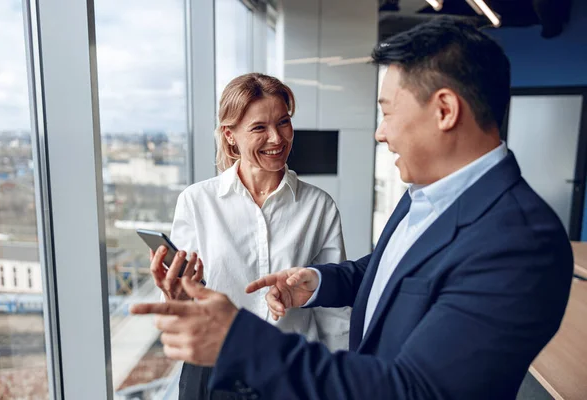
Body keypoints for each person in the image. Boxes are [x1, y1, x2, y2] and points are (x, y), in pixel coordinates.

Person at [133, 18, 573, 399]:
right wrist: (319, 281)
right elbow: (389, 274)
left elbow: (417, 391)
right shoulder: (423, 197)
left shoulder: (520, 242)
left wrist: (237, 341)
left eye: (387, 111)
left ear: (444, 111)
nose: (380, 133)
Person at [148, 72, 351, 400]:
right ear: (230, 136)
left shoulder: (319, 206)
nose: (277, 138)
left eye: (283, 122)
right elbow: (183, 303)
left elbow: (334, 307)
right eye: (259, 128)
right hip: (214, 371)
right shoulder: (197, 202)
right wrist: (175, 293)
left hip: (290, 368)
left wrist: (341, 380)